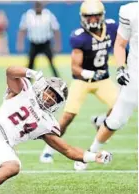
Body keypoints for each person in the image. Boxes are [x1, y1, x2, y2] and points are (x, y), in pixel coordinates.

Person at [40, 0, 119, 163]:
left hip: (103, 80)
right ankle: (48, 149)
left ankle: (102, 121)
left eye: (96, 16)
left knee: (118, 107)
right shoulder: (79, 37)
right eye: (88, 17)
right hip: (82, 81)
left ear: (102, 16)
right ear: (83, 18)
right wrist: (91, 74)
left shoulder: (111, 27)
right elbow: (75, 68)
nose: (93, 20)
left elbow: (122, 42)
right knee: (67, 117)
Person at [74, 2, 138, 171]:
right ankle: (91, 152)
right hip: (135, 75)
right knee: (116, 120)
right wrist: (121, 68)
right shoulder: (130, 11)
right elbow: (120, 44)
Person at [16, 1, 61, 77]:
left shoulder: (48, 14)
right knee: (30, 63)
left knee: (52, 63)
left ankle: (58, 79)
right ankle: (27, 82)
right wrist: (20, 43)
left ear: (42, 6)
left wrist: (58, 44)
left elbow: (56, 30)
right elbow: (22, 30)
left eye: (39, 6)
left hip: (45, 43)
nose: (38, 8)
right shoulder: (28, 15)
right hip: (34, 43)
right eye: (36, 6)